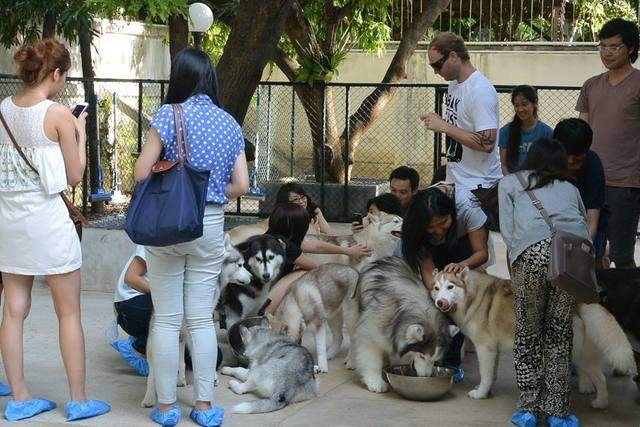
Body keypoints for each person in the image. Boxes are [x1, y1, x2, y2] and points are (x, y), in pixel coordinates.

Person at [134, 47, 249, 427]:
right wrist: (208, 194)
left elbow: (140, 172)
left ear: (179, 78)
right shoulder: (230, 123)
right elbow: (242, 184)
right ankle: (204, 406)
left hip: (169, 225)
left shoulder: (169, 115)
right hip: (211, 224)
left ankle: (166, 408)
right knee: (200, 320)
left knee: (167, 320)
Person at [0, 39, 110, 422]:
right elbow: (75, 174)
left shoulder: (2, 110)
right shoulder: (60, 114)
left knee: (13, 311)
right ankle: (78, 400)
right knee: (68, 314)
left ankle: (19, 397)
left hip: (10, 224)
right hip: (48, 225)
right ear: (56, 73)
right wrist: (77, 130)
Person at [499, 138, 588, 427]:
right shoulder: (571, 188)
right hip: (570, 257)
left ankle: (528, 409)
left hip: (532, 254)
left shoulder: (510, 183)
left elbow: (509, 232)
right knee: (560, 333)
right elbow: (583, 224)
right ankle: (558, 412)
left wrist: (516, 265)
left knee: (528, 332)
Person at [401, 186, 490, 376]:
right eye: (431, 227)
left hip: (465, 247)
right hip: (434, 253)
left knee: (460, 302)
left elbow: (481, 253)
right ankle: (438, 354)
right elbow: (427, 271)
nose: (438, 230)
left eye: (442, 223)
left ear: (451, 212)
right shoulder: (416, 226)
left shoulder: (467, 208)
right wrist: (438, 295)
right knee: (442, 304)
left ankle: (451, 363)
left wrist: (460, 265)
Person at [576, 18, 640, 269]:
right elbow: (581, 135)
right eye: (603, 46)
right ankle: (601, 304)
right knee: (590, 254)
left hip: (626, 183)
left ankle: (631, 306)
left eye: (614, 47)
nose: (607, 53)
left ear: (632, 48)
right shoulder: (591, 85)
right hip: (590, 181)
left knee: (622, 257)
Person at [420, 32, 502, 193]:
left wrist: (444, 126)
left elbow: (487, 143)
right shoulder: (454, 85)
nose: (436, 72)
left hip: (479, 186)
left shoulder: (480, 90)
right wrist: (442, 121)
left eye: (437, 65)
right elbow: (462, 126)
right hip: (458, 183)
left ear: (453, 56)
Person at [554, 118, 608, 268]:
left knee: (591, 268)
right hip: (556, 224)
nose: (571, 162)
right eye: (567, 156)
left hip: (586, 223)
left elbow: (592, 220)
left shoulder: (593, 164)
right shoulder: (548, 162)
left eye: (578, 158)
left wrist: (583, 251)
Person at [263, 203, 320, 314]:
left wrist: (347, 251)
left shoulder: (268, 237)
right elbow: (315, 268)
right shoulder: (285, 246)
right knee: (303, 272)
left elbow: (317, 246)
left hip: (234, 290)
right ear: (299, 229)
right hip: (247, 297)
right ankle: (265, 311)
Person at [111, 245, 152, 377]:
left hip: (146, 302)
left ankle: (144, 339)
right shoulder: (156, 233)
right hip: (131, 304)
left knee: (217, 359)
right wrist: (164, 295)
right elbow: (131, 278)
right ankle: (137, 346)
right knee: (173, 309)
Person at [499, 85, 553, 174]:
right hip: (514, 183)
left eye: (524, 104)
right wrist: (511, 182)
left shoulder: (547, 132)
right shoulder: (505, 131)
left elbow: (550, 165)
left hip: (539, 182)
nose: (520, 109)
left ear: (535, 103)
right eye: (516, 105)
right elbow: (503, 165)